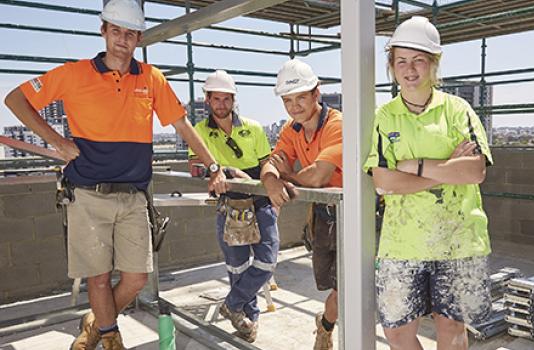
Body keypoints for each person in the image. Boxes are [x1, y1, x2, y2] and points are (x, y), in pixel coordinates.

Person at [3, 1, 226, 349]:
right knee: (99, 279)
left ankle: (97, 321)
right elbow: (16, 99)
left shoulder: (152, 79)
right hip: (88, 194)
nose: (123, 39)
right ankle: (109, 336)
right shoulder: (74, 74)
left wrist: (213, 167)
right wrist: (57, 141)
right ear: (103, 30)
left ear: (138, 37)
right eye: (117, 31)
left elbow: (181, 124)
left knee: (136, 279)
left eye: (131, 33)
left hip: (134, 195)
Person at [363, 16, 493, 350]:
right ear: (392, 66)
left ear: (433, 64)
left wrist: (415, 166)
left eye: (419, 60)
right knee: (396, 332)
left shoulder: (458, 110)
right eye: (401, 61)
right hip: (402, 242)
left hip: (457, 238)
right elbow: (383, 180)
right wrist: (445, 168)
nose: (410, 69)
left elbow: (475, 171)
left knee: (451, 329)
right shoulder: (384, 116)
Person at [188, 70, 280, 343]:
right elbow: (194, 168)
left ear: (233, 99)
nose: (221, 104)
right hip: (230, 204)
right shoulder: (200, 132)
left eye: (226, 99)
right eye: (216, 99)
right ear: (207, 100)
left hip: (259, 201)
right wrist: (228, 171)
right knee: (237, 266)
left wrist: (269, 183)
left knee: (267, 260)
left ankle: (233, 303)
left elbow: (267, 161)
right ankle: (248, 320)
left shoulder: (252, 127)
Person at [260, 59, 342, 350]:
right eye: (288, 100)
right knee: (337, 287)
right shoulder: (291, 129)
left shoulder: (336, 125)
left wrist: (287, 175)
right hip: (323, 215)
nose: (294, 107)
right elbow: (271, 164)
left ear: (316, 93)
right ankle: (326, 323)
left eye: (301, 98)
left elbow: (319, 176)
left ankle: (326, 328)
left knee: (348, 287)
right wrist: (272, 182)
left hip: (352, 215)